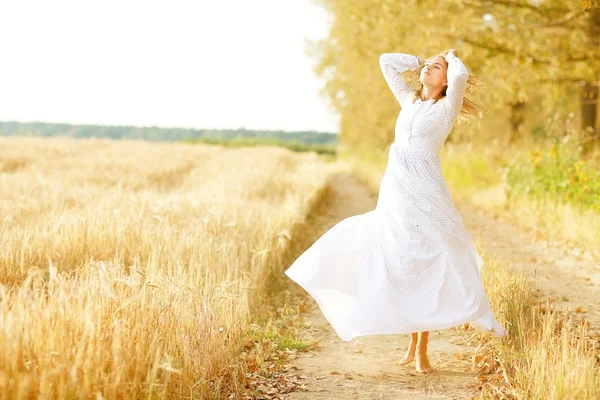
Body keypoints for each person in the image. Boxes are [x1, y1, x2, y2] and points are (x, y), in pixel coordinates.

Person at [284, 49, 506, 374]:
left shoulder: (447, 107)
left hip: (426, 192)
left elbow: (459, 76)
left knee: (424, 259)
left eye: (436, 67)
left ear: (445, 80)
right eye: (429, 65)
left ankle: (422, 350)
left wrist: (452, 57)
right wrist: (419, 61)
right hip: (396, 192)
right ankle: (412, 344)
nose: (430, 68)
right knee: (402, 259)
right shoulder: (409, 102)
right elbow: (385, 62)